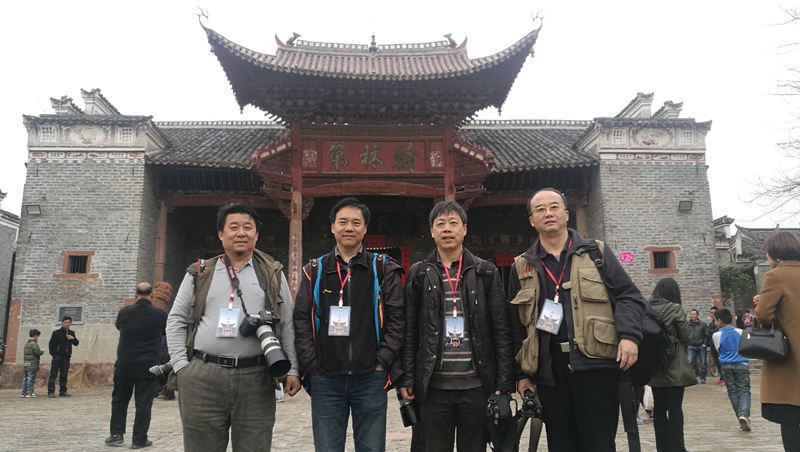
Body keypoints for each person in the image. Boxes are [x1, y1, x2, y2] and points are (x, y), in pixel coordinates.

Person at [508, 188, 646, 452]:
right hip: (550, 373)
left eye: (554, 207)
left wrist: (629, 336)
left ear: (566, 214)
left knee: (599, 444)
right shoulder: (522, 266)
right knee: (561, 445)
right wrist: (521, 375)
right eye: (540, 209)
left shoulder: (596, 253)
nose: (548, 213)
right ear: (532, 221)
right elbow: (516, 326)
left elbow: (629, 297)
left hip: (595, 368)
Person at [167, 203, 301, 452]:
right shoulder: (200, 272)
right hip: (202, 376)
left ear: (256, 234)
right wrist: (181, 367)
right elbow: (176, 319)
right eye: (234, 227)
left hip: (256, 377)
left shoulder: (272, 273)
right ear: (221, 233)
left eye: (248, 227)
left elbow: (287, 323)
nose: (241, 233)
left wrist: (292, 368)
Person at [399, 201, 514, 451]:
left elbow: (501, 331)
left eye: (453, 223)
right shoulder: (419, 274)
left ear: (465, 229)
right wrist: (407, 376)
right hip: (433, 388)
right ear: (432, 231)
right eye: (440, 224)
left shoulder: (485, 272)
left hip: (476, 387)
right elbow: (410, 331)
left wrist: (503, 384)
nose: (447, 229)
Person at [294, 197, 405, 452]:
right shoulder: (315, 270)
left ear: (365, 229)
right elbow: (301, 319)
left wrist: (383, 360)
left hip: (371, 377)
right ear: (332, 227)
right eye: (342, 222)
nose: (349, 228)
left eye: (356, 222)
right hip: (326, 379)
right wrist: (311, 365)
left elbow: (397, 318)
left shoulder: (382, 269)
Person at [105, 282, 168, 449]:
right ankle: (139, 439)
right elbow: (164, 332)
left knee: (119, 400)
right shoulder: (160, 314)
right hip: (149, 365)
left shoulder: (124, 312)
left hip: (125, 363)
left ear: (135, 295)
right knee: (144, 403)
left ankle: (116, 435)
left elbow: (119, 327)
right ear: (152, 295)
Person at [753, 231, 800, 451]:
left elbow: (763, 315)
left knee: (790, 416)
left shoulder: (775, 276)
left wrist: (760, 303)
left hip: (792, 356)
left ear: (775, 253)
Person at [647, 278, 696, 452]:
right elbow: (687, 337)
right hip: (674, 363)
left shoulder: (645, 307)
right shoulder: (674, 308)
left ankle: (662, 447)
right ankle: (677, 447)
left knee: (659, 409)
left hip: (654, 364)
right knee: (675, 409)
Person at [712, 307, 751, 432]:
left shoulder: (716, 335)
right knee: (744, 391)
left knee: (732, 392)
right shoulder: (740, 332)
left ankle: (739, 416)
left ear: (719, 321)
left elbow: (718, 349)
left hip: (726, 366)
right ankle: (744, 414)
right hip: (742, 364)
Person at [47, 316, 79, 397]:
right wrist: (54, 354)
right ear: (62, 323)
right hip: (57, 356)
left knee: (64, 374)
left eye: (68, 323)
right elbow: (51, 344)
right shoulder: (56, 333)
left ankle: (63, 391)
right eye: (65, 323)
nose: (67, 324)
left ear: (70, 323)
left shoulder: (71, 332)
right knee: (53, 373)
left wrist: (72, 339)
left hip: (66, 357)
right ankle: (51, 391)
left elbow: (76, 343)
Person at [21, 329, 44, 398]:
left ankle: (23, 392)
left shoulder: (27, 344)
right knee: (31, 378)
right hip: (32, 364)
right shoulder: (34, 344)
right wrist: (42, 351)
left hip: (26, 363)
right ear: (35, 336)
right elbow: (38, 353)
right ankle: (29, 392)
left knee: (25, 378)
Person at [686, 309, 707, 383]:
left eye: (693, 314)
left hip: (701, 346)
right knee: (690, 362)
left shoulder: (703, 324)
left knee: (703, 363)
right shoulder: (687, 324)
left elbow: (706, 335)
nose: (692, 316)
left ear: (697, 315)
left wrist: (704, 344)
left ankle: (703, 378)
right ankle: (690, 378)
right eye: (691, 314)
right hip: (691, 346)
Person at [706, 306, 725, 386]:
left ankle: (724, 378)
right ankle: (721, 377)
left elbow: (720, 331)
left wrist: (712, 332)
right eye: (710, 313)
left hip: (720, 346)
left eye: (713, 313)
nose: (711, 314)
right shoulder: (711, 324)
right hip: (713, 345)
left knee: (721, 362)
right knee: (716, 362)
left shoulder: (722, 323)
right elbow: (707, 333)